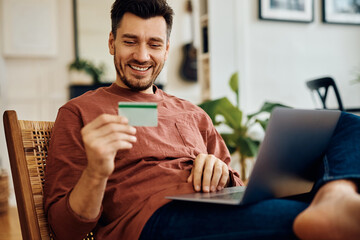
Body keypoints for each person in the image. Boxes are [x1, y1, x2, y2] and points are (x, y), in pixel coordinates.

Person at [44, 0, 360, 239]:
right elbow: (64, 230)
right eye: (130, 42)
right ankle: (328, 207)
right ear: (112, 42)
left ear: (166, 50)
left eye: (154, 44)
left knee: (344, 123)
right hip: (153, 219)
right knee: (295, 218)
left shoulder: (193, 112)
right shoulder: (80, 112)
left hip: (215, 203)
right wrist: (97, 172)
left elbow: (238, 186)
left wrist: (222, 175)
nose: (142, 55)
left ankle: (336, 194)